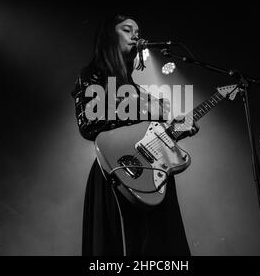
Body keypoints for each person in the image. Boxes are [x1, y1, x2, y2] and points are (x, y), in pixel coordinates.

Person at [71, 14, 199, 256]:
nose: (136, 35)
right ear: (110, 36)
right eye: (127, 29)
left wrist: (175, 131)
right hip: (117, 171)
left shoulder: (139, 90)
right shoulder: (92, 74)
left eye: (138, 31)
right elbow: (88, 124)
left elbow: (150, 139)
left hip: (153, 176)